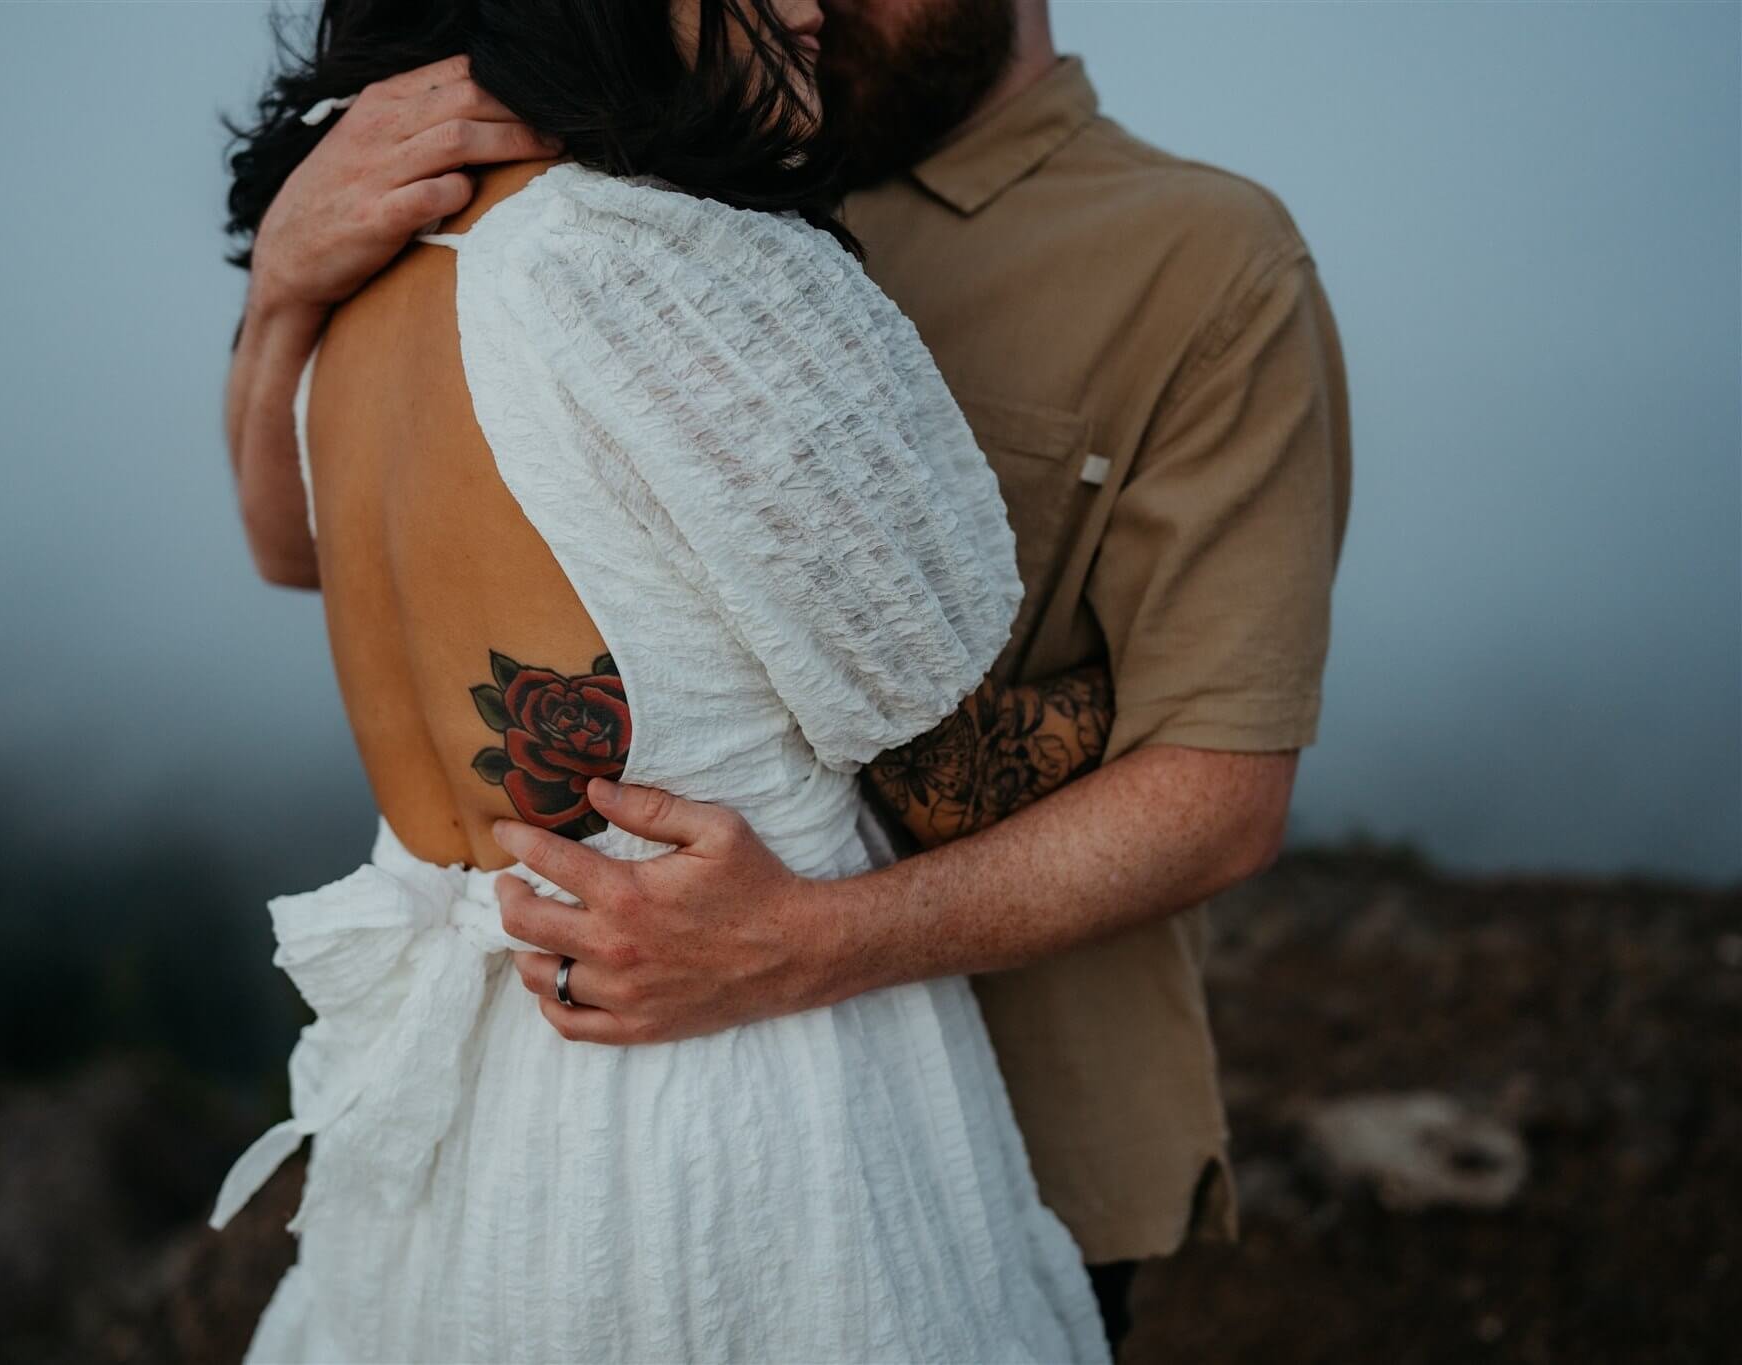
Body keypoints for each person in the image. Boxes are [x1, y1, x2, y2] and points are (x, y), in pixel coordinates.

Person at [228, 0, 1353, 1354]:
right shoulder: (665, 215)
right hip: (695, 1099)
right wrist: (282, 277)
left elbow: (1223, 788)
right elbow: (301, 548)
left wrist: (799, 942)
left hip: (973, 1115)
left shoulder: (1204, 258)